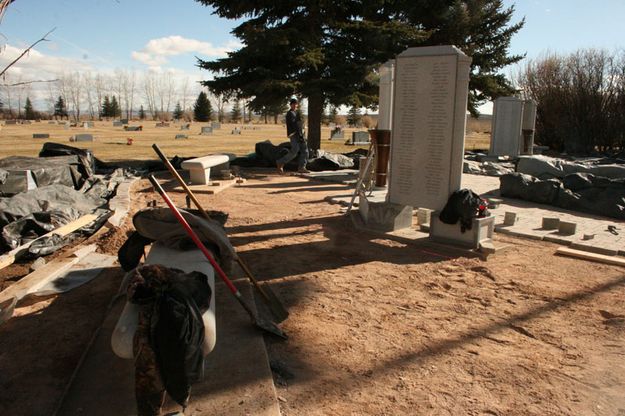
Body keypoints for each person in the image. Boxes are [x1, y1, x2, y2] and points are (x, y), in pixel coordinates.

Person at [277, 98, 309, 174]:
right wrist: (300, 128)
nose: (295, 105)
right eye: (293, 104)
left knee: (305, 151)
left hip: (300, 134)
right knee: (295, 151)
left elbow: (300, 123)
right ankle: (280, 162)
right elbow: (294, 124)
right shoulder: (290, 113)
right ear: (290, 105)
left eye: (296, 104)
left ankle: (302, 167)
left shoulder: (297, 113)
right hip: (294, 135)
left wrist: (302, 128)